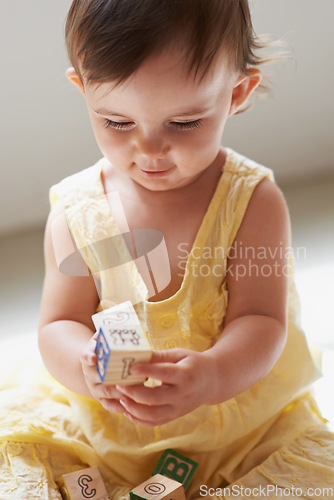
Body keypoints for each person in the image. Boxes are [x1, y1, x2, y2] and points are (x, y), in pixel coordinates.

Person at [1, 1, 333, 499]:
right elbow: (58, 325)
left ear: (236, 94)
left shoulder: (253, 202)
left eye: (184, 123)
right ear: (83, 90)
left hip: (234, 424)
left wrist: (215, 373)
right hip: (103, 424)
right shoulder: (79, 211)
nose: (150, 150)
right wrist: (86, 369)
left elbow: (263, 320)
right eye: (117, 122)